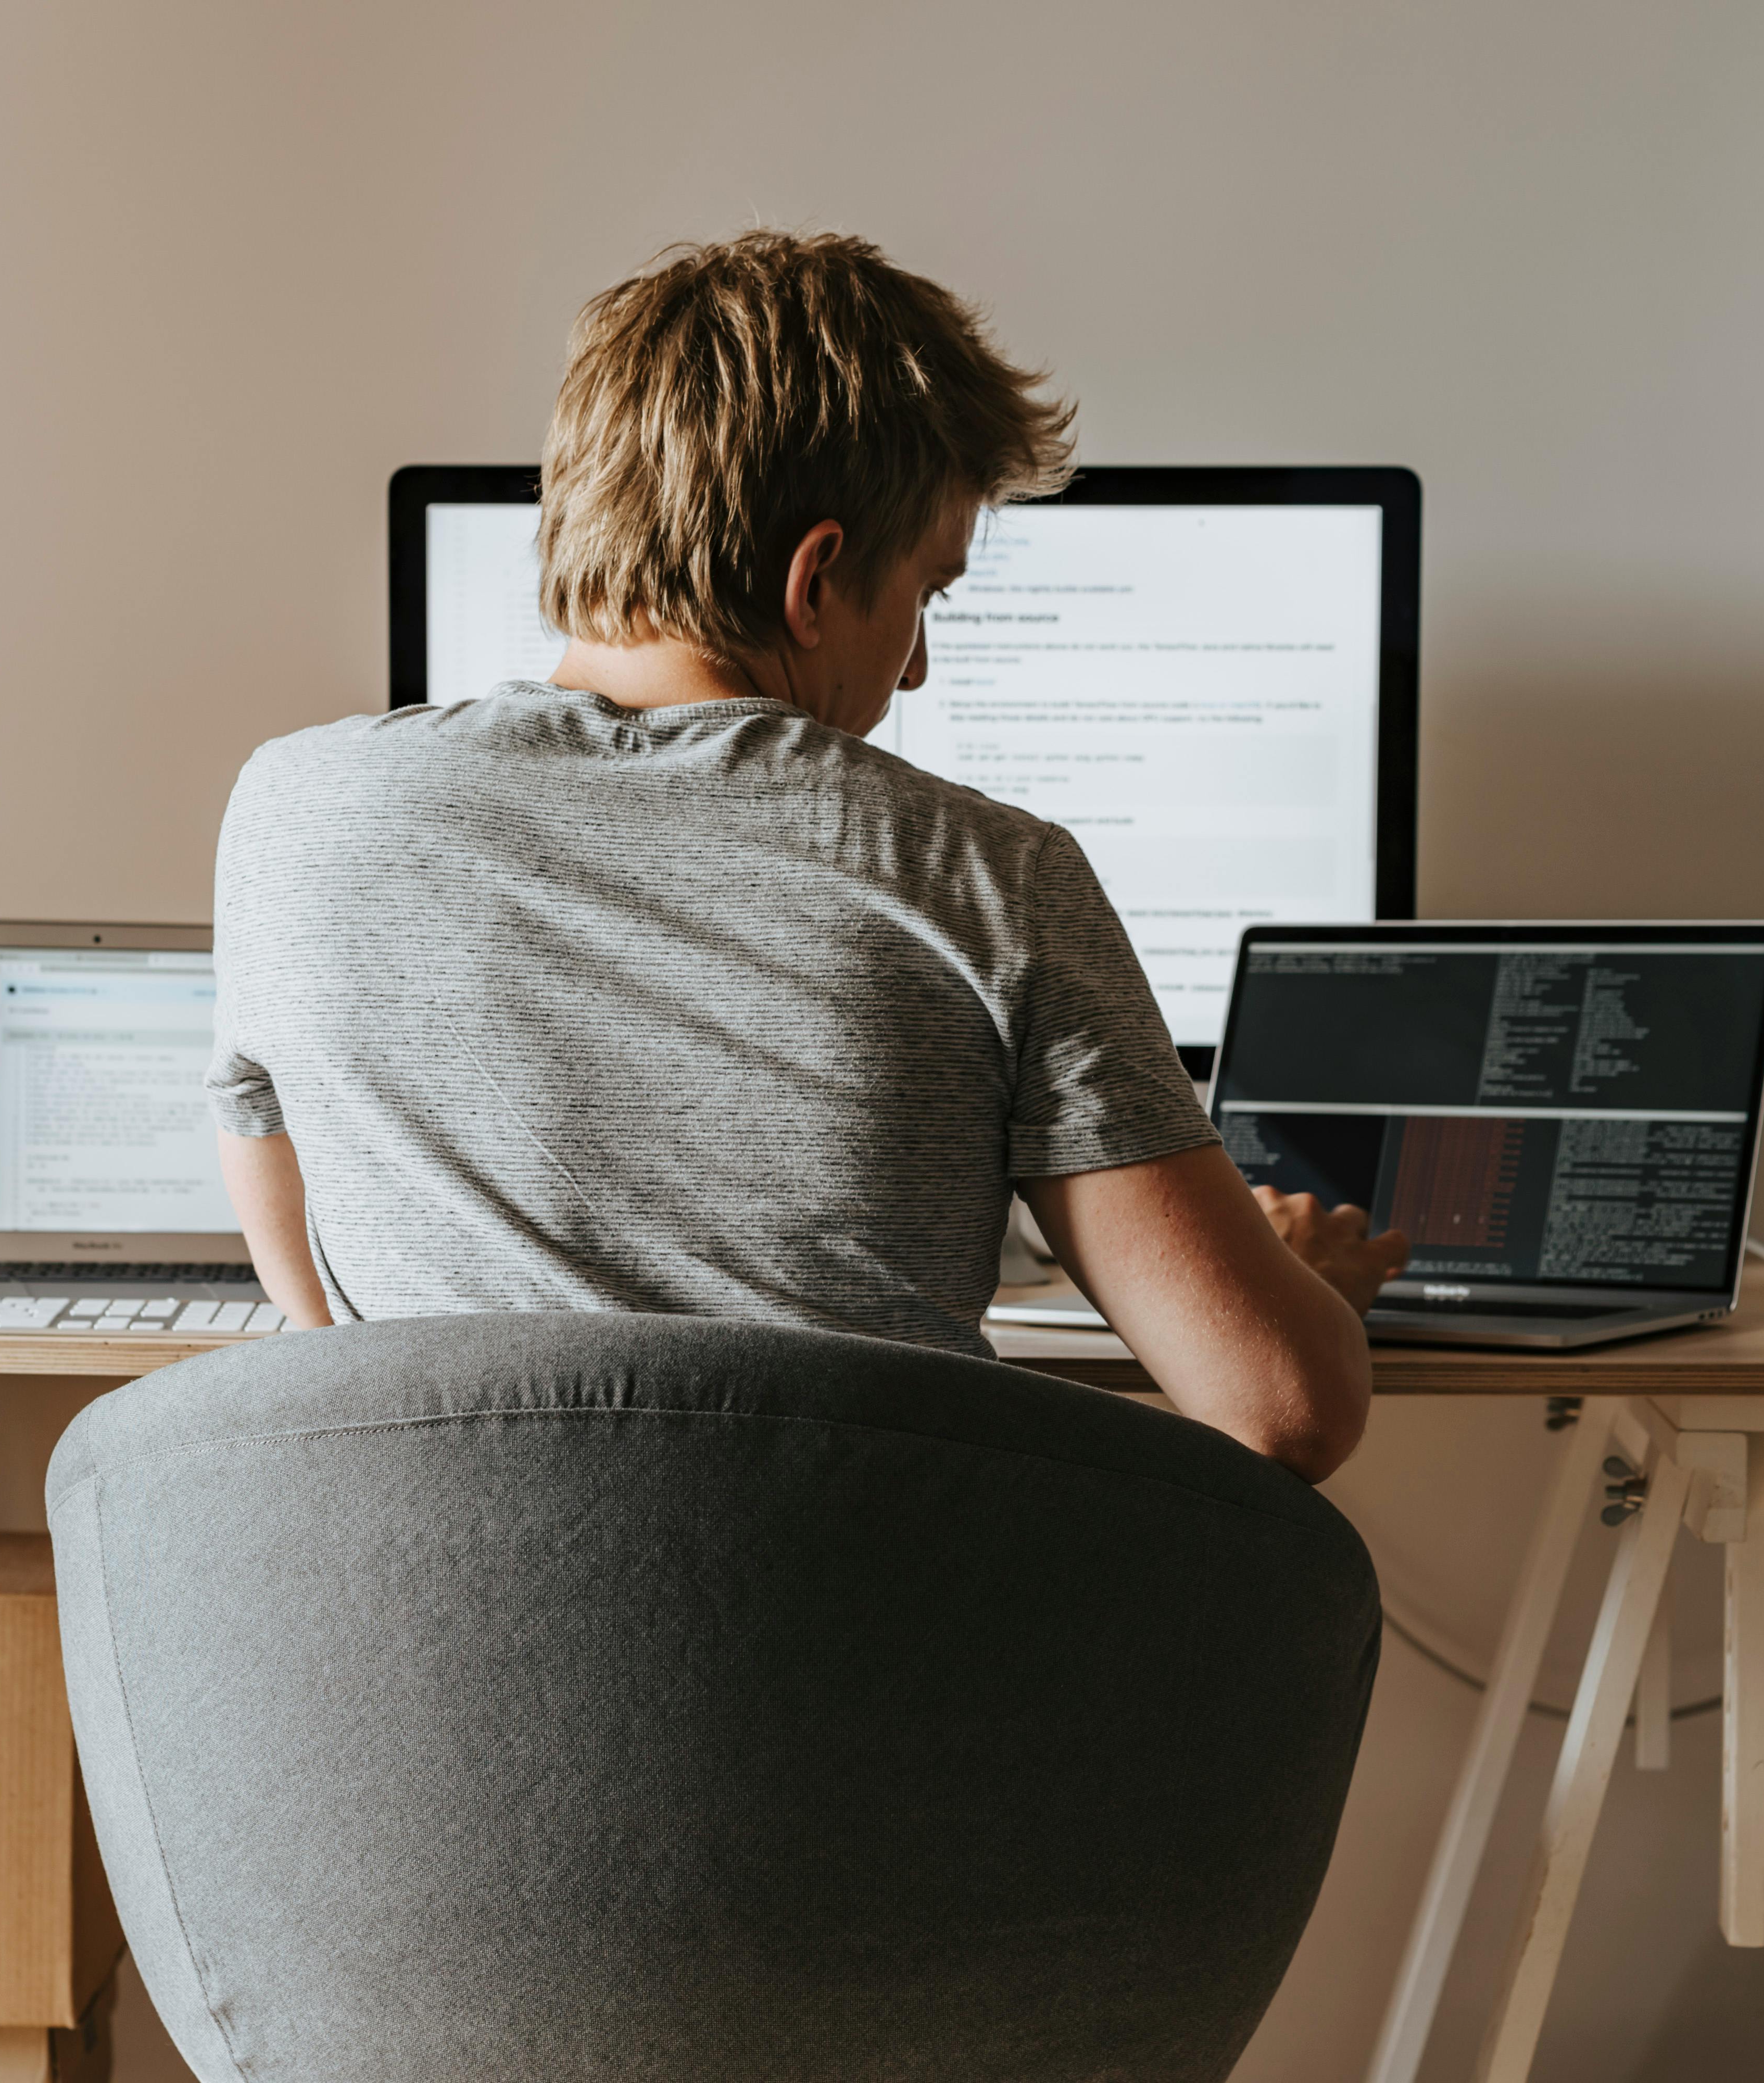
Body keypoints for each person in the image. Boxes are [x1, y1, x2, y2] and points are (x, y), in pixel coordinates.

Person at [208, 229, 1405, 1482]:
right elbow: (1281, 1409)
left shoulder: (294, 810)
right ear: (816, 577)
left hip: (421, 1651)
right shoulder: (989, 872)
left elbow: (325, 1337)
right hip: (860, 1663)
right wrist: (1301, 1288)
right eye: (929, 595)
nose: (921, 664)